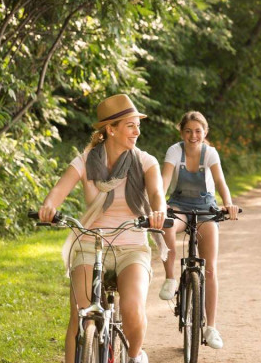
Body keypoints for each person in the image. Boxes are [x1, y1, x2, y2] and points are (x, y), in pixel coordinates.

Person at [38, 94, 167, 363]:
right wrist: (49, 207)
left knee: (132, 309)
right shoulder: (86, 161)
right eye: (130, 125)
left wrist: (158, 213)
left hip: (132, 245)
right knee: (80, 312)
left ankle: (134, 356)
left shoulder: (145, 161)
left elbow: (156, 193)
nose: (137, 131)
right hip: (90, 243)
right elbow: (58, 191)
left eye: (137, 125)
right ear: (111, 129)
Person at [157, 110, 239, 350]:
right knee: (166, 226)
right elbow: (164, 179)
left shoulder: (210, 153)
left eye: (198, 131)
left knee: (210, 268)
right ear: (181, 132)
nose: (193, 135)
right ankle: (171, 278)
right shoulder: (175, 151)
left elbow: (221, 182)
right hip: (180, 206)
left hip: (206, 209)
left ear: (205, 133)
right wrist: (159, 203)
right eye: (188, 131)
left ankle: (211, 327)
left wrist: (229, 203)